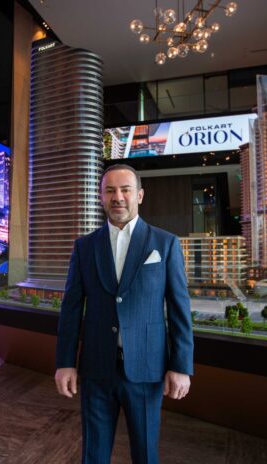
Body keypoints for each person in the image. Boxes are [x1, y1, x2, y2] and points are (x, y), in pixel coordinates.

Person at [55, 164, 194, 463]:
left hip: (147, 369)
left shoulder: (165, 243)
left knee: (145, 454)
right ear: (101, 197)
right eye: (110, 190)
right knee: (93, 454)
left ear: (139, 195)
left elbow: (179, 308)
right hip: (96, 368)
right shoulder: (84, 247)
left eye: (125, 189)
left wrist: (181, 365)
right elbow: (71, 309)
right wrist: (65, 362)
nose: (118, 197)